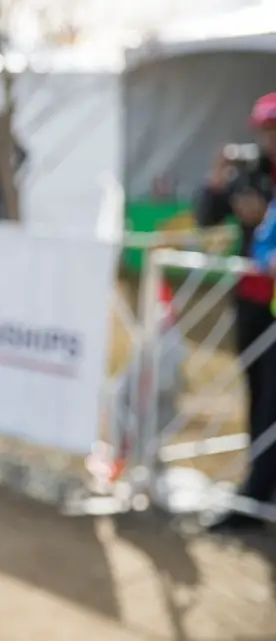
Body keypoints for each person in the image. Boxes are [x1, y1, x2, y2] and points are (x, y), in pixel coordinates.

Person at [195, 92, 276, 533]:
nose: (271, 139)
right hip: (251, 300)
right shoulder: (251, 175)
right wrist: (217, 176)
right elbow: (206, 215)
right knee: (257, 391)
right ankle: (258, 488)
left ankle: (255, 496)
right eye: (266, 131)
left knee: (271, 401)